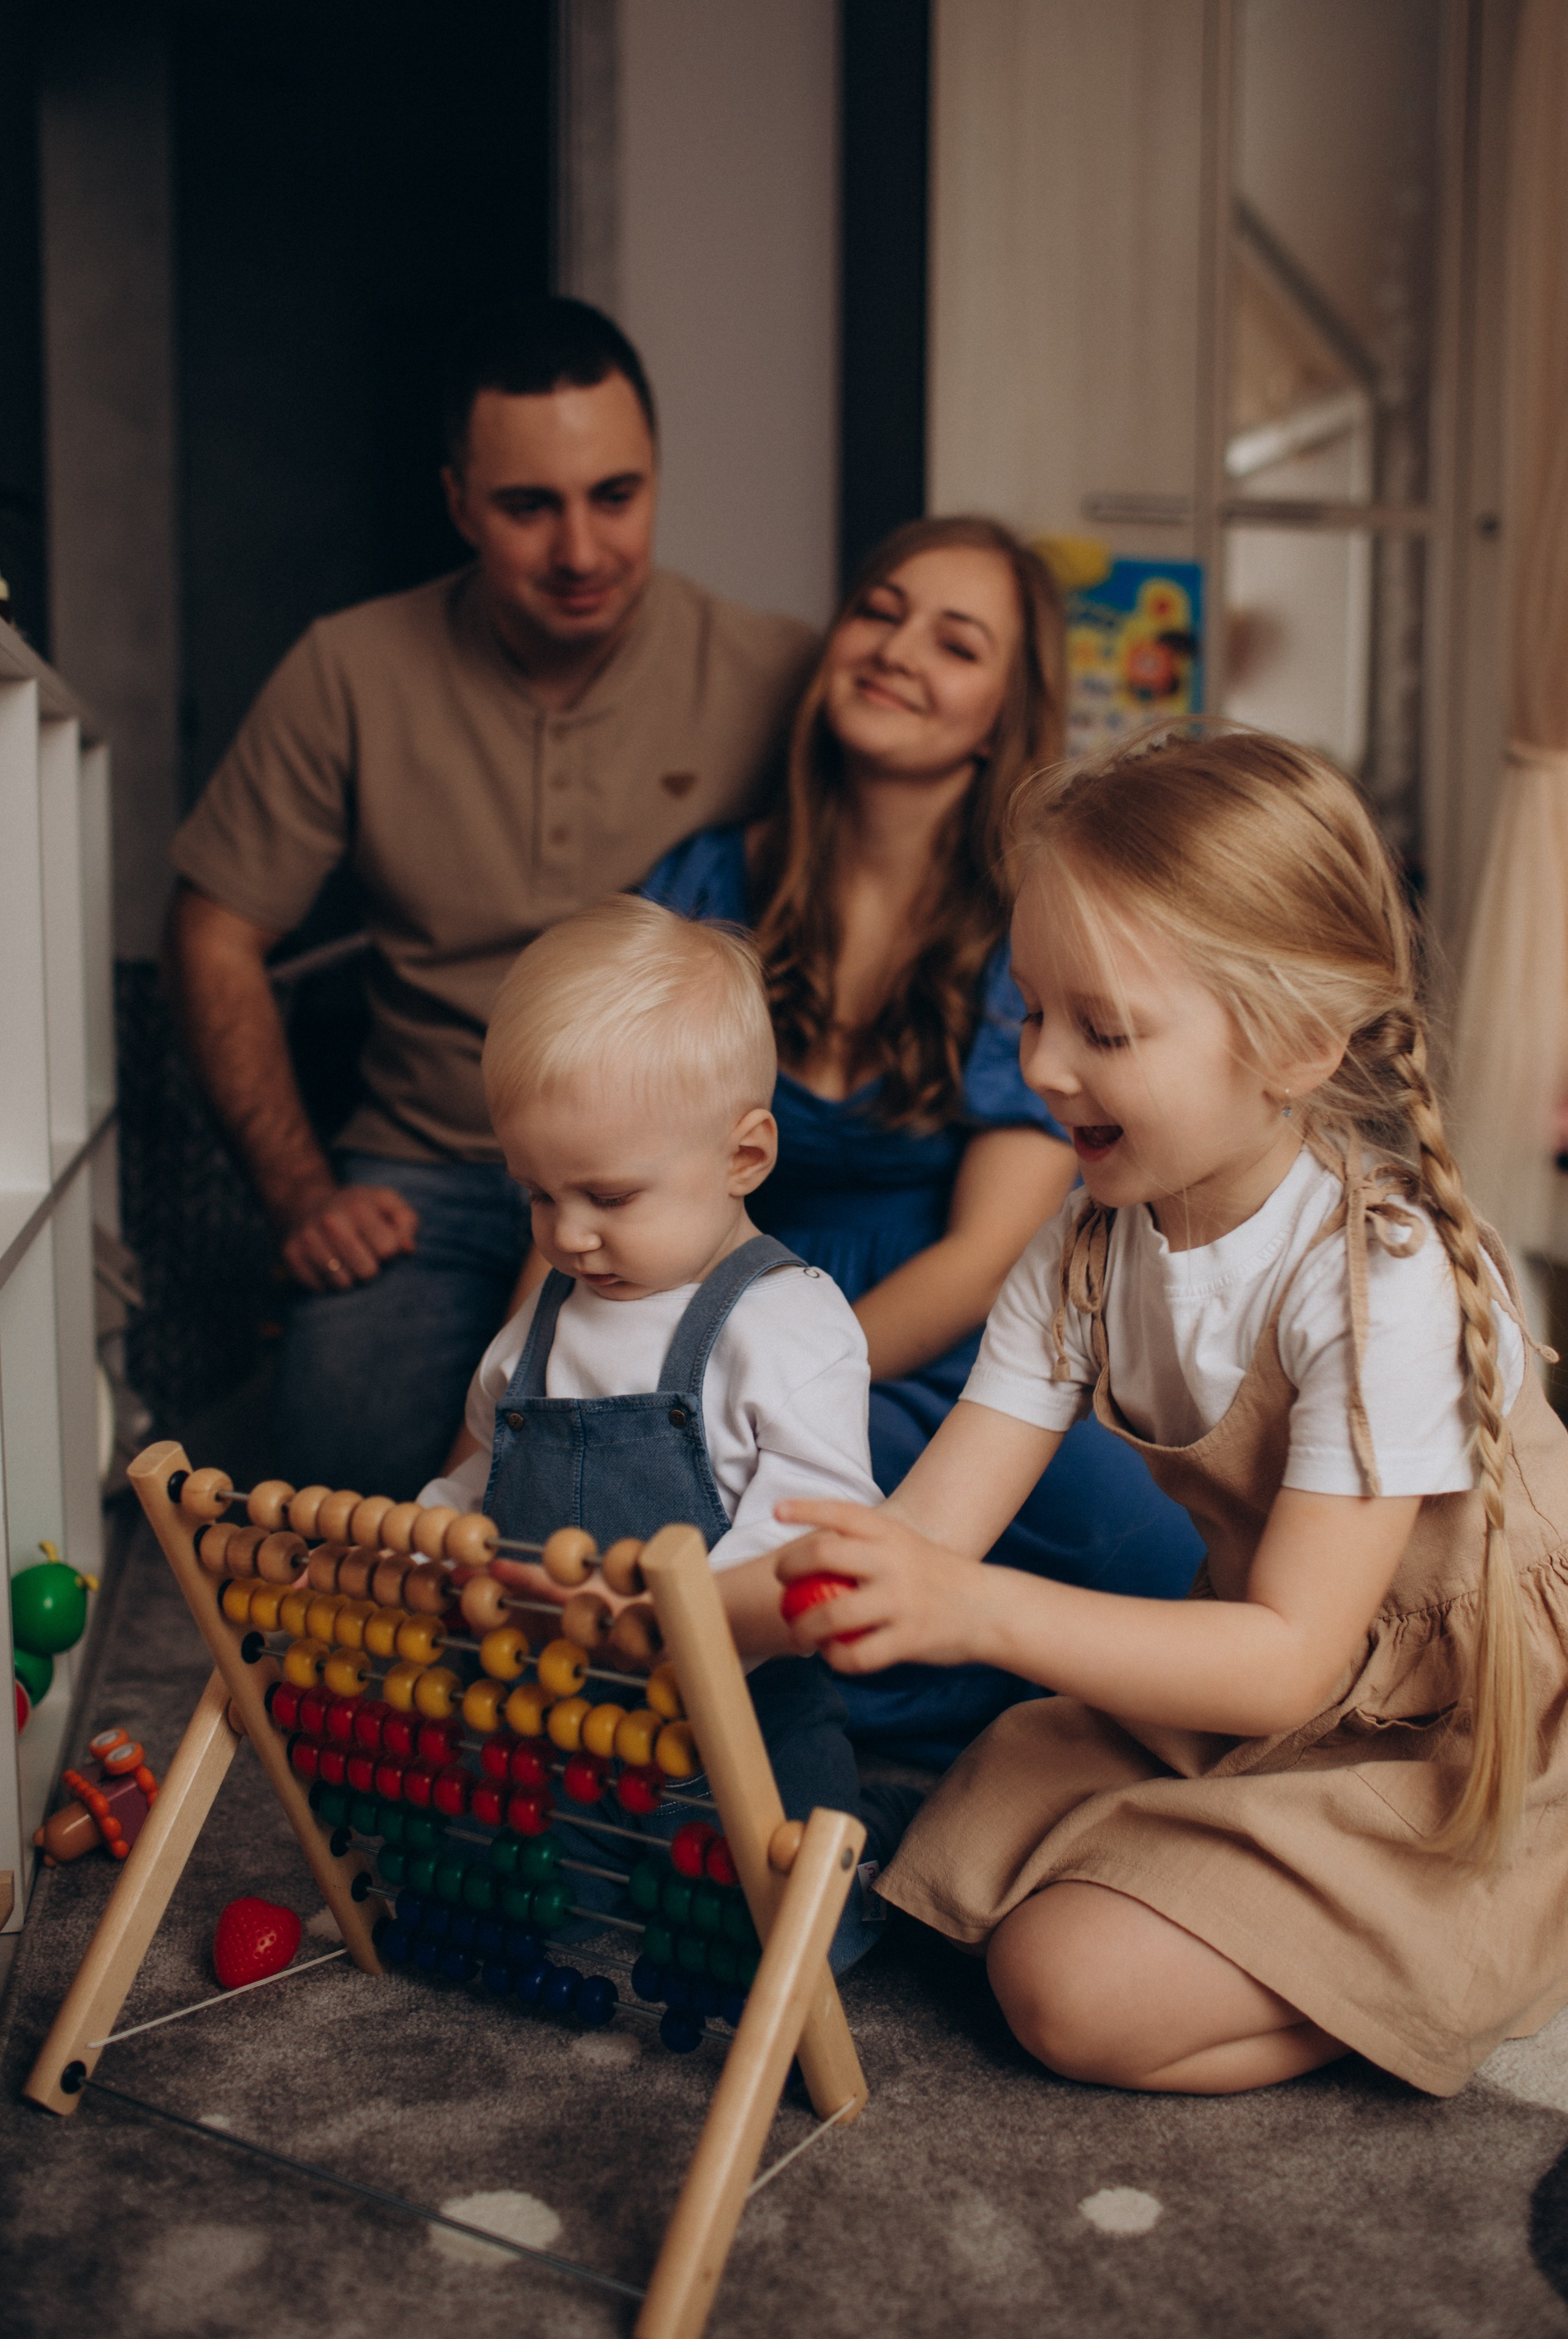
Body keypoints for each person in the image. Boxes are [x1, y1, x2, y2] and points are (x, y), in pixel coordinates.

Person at [764, 720, 1568, 2098]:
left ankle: (1470, 1941)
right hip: (1270, 1693)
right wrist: (660, 1605)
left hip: (1438, 1724)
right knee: (955, 1845)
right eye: (1029, 1010)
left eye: (1104, 1029)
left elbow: (1283, 1661)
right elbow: (926, 1535)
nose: (1043, 1065)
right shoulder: (1082, 1245)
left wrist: (971, 1613)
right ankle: (1261, 1889)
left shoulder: (1378, 1281)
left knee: (1062, 1986)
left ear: (1298, 1044)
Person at [164, 298, 818, 1497]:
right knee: (349, 1474)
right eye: (529, 506)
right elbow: (214, 928)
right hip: (422, 1168)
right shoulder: (347, 670)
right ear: (460, 502)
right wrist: (299, 1195)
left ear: (657, 478)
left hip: (665, 1164)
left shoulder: (777, 674)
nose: (580, 549)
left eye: (614, 495)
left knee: (634, 1476)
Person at [641, 515, 1203, 1761]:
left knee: (1159, 1568)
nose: (897, 651)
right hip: (716, 1302)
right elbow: (597, 1160)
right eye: (878, 612)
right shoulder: (699, 885)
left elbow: (989, 1248)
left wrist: (797, 1362)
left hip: (948, 1334)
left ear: (1003, 713)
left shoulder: (1028, 929)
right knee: (703, 1563)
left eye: (953, 642)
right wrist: (521, 1394)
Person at [424, 894, 919, 1968]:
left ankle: (874, 1840)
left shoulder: (785, 1322)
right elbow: (483, 1465)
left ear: (744, 1156)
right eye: (536, 1195)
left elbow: (810, 1535)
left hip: (734, 1731)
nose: (568, 1233)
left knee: (779, 1942)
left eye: (606, 1193)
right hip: (561, 1717)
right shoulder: (547, 1312)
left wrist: (669, 1616)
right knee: (499, 1906)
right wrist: (431, 1531)